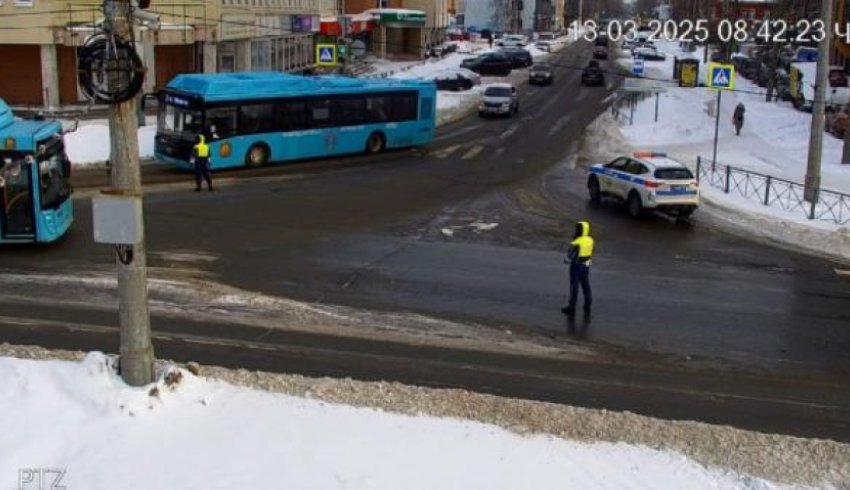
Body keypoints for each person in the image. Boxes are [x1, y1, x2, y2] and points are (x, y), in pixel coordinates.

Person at [562, 220, 594, 316]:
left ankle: (571, 306)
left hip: (576, 265)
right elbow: (592, 251)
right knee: (586, 284)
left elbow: (569, 256)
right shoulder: (590, 240)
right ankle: (588, 303)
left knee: (574, 285)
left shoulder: (577, 242)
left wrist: (566, 260)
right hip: (587, 263)